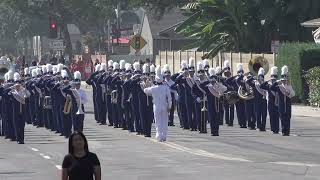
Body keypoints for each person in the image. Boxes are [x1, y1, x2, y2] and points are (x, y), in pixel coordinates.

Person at [144, 67, 171, 142]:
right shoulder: (166, 88)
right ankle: (164, 135)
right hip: (164, 106)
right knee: (164, 121)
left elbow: (145, 90)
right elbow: (169, 98)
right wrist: (170, 106)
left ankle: (159, 135)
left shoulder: (153, 88)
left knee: (158, 122)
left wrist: (147, 83)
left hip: (156, 106)